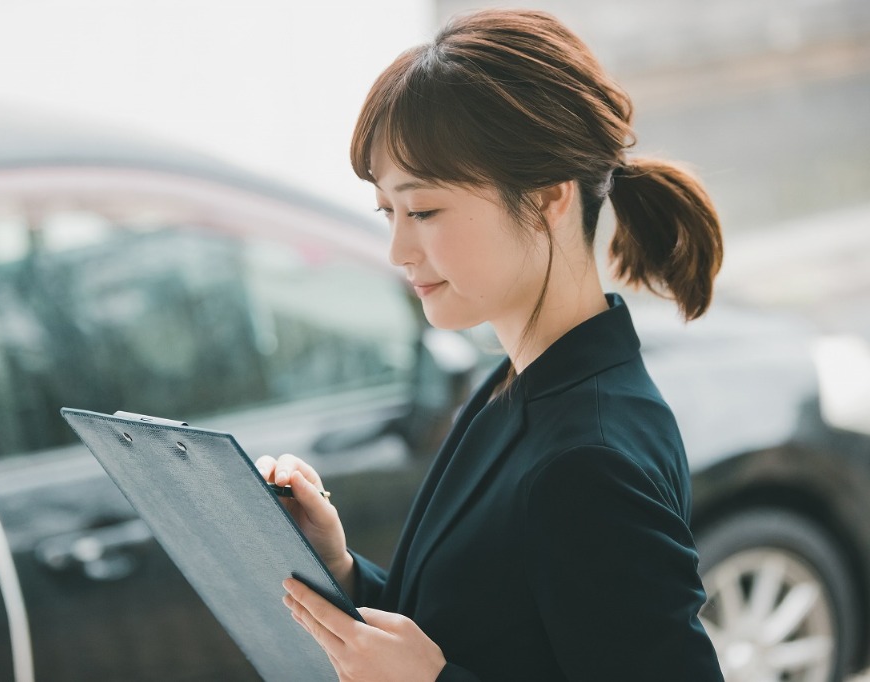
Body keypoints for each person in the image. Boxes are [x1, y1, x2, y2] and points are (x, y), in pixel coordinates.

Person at [256, 9, 725, 681]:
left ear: (549, 197)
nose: (397, 249)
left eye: (423, 211)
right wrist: (342, 571)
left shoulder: (589, 459)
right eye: (388, 213)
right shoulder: (523, 382)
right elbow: (478, 630)